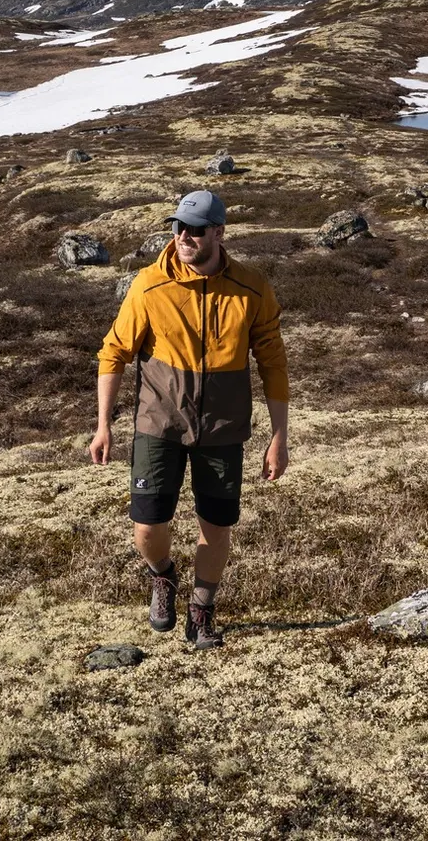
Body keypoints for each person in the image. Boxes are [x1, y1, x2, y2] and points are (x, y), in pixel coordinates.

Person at [90, 189, 290, 649]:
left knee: (215, 527)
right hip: (157, 424)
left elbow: (273, 364)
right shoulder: (149, 284)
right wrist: (104, 424)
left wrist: (279, 437)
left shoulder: (252, 288)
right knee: (147, 527)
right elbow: (113, 353)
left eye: (195, 230)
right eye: (178, 227)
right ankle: (163, 576)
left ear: (218, 233)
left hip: (222, 428)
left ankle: (202, 609)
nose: (183, 237)